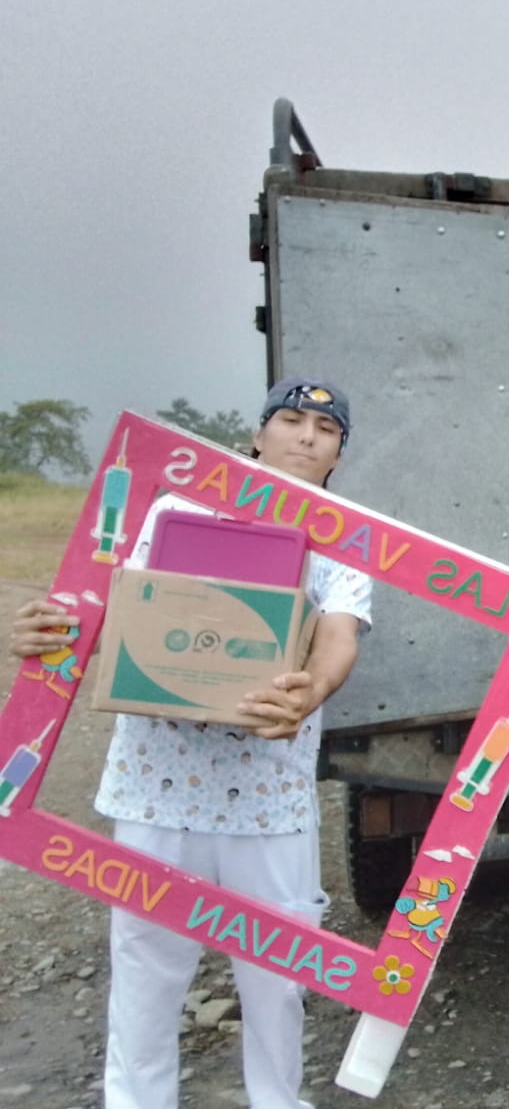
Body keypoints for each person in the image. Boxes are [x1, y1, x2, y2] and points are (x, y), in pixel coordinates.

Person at [9, 377, 373, 1109]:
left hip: (269, 796)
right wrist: (49, 634)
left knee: (278, 975)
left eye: (326, 430)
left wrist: (311, 689)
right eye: (290, 420)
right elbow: (111, 606)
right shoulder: (173, 510)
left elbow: (339, 634)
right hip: (156, 785)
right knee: (146, 968)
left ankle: (277, 1101)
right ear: (258, 435)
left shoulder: (348, 536)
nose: (306, 436)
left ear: (338, 454)